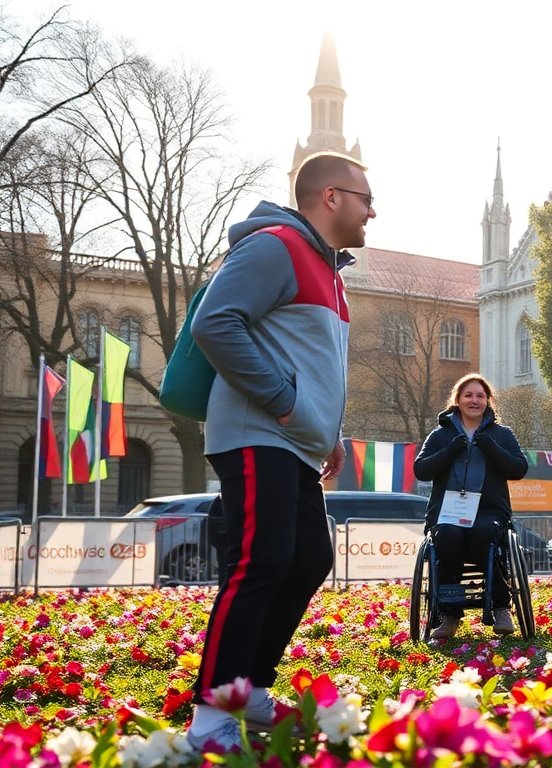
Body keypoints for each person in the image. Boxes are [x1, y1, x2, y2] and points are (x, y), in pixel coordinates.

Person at [186, 151, 374, 752]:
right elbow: (215, 323)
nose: (375, 209)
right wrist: (285, 402)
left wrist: (330, 429)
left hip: (297, 443)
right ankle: (215, 711)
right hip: (256, 432)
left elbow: (315, 362)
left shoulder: (331, 273)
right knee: (260, 561)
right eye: (366, 197)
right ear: (330, 198)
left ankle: (251, 686)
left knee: (307, 559)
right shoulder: (275, 246)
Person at [416, 374, 529, 640]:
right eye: (468, 395)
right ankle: (449, 614)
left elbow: (519, 468)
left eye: (480, 396)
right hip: (448, 511)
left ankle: (501, 606)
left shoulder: (502, 434)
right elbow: (421, 469)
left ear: (488, 401)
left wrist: (492, 448)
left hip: (488, 510)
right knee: (447, 536)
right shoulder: (441, 435)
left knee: (482, 534)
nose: (474, 400)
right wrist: (449, 452)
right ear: (457, 400)